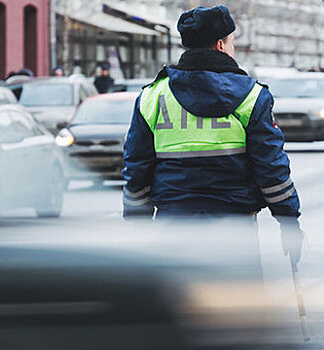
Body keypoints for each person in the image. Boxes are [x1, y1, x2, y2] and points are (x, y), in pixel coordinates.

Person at [121, 5, 303, 261]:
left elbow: (137, 166)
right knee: (233, 298)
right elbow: (271, 168)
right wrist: (288, 220)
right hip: (234, 227)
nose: (233, 48)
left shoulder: (153, 96)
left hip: (173, 226)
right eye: (232, 42)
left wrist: (136, 220)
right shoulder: (252, 97)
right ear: (220, 45)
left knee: (177, 299)